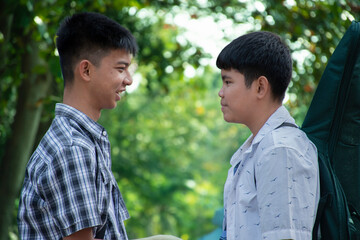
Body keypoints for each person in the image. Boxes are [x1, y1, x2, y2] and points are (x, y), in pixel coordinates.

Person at [17, 12, 137, 240]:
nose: (128, 79)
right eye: (121, 69)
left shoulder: (83, 140)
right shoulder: (72, 148)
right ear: (86, 70)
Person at [216, 31, 320, 240]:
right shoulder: (259, 148)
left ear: (260, 87)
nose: (221, 92)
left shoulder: (281, 150)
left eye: (228, 82)